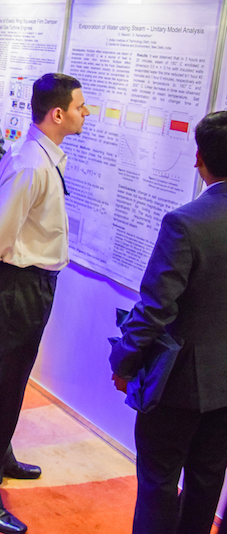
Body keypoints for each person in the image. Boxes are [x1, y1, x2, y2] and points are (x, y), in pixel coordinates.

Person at [0, 73, 89, 533]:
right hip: (15, 287)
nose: (87, 113)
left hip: (29, 286)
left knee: (11, 382)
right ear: (58, 113)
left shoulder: (41, 158)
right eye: (81, 106)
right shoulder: (31, 163)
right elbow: (0, 230)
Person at [108, 111, 227, 534]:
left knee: (158, 483)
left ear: (199, 159)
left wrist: (122, 361)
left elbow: (155, 309)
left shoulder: (186, 223)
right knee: (206, 484)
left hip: (178, 386)